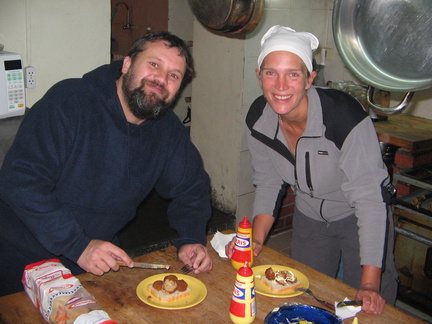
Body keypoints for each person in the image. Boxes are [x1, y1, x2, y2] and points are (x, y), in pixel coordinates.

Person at [0, 32, 212, 296]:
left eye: (174, 76)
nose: (161, 79)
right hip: (23, 261)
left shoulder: (168, 131)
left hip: (96, 263)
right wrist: (79, 245)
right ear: (126, 65)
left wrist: (191, 238)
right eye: (154, 64)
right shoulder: (70, 101)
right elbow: (21, 181)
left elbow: (190, 188)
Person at [226, 25, 398, 315]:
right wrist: (254, 242)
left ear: (309, 79)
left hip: (358, 217)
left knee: (366, 307)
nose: (281, 85)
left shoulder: (342, 117)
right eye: (271, 72)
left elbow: (370, 201)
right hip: (309, 220)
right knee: (306, 295)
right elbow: (268, 182)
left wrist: (370, 284)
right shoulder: (259, 119)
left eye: (293, 74)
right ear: (259, 76)